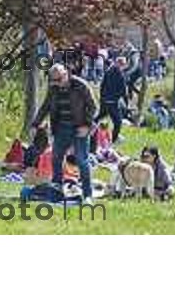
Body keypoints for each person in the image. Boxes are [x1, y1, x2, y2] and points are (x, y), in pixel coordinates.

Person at [31, 63, 96, 204]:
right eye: (54, 80)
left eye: (59, 79)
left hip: (79, 128)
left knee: (82, 161)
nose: (57, 84)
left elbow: (92, 106)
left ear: (66, 74)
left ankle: (88, 195)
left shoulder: (80, 86)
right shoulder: (53, 88)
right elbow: (45, 106)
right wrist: (35, 124)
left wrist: (87, 125)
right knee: (55, 158)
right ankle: (57, 191)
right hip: (61, 128)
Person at [97, 56, 128, 143]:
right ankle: (113, 140)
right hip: (113, 102)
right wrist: (126, 102)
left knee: (99, 117)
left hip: (104, 101)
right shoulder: (120, 74)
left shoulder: (108, 72)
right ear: (121, 64)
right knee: (118, 122)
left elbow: (102, 86)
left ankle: (91, 133)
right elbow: (123, 90)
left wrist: (102, 98)